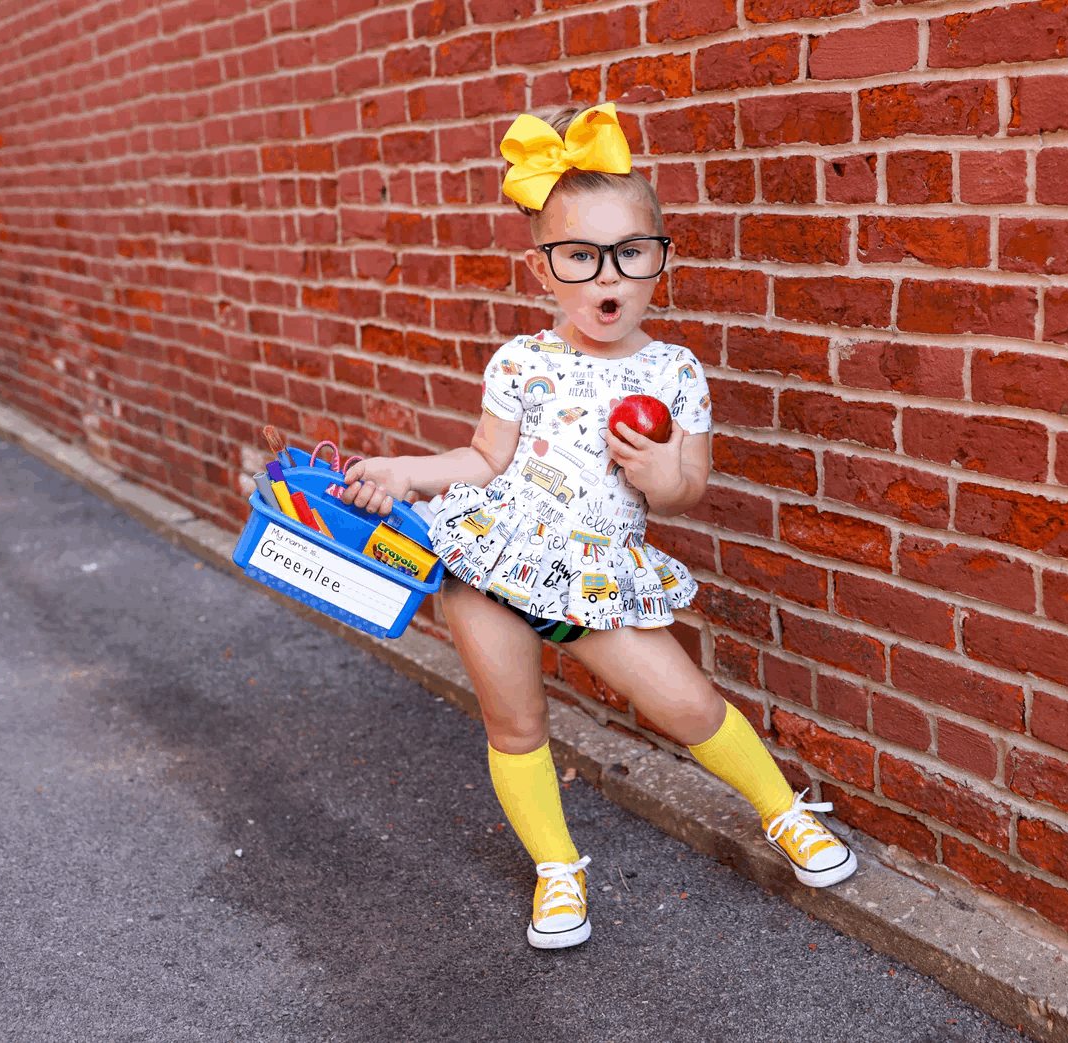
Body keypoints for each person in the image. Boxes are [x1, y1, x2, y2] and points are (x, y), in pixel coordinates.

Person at [339, 103, 856, 950]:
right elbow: (483, 459)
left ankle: (782, 811)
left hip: (593, 574)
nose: (606, 276)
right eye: (579, 256)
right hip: (487, 560)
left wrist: (660, 475)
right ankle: (556, 867)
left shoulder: (674, 373)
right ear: (542, 270)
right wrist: (403, 472)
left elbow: (689, 486)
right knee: (515, 724)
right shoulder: (521, 361)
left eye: (630, 253)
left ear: (661, 261)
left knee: (688, 702)